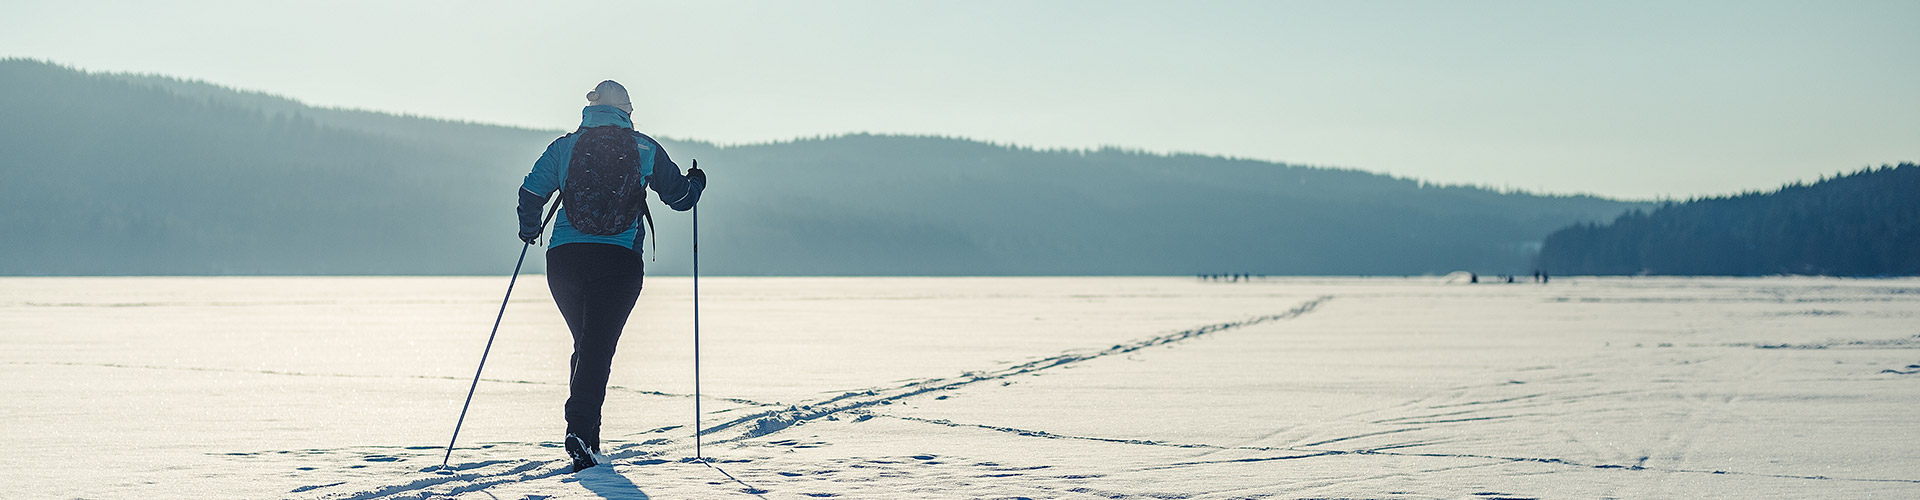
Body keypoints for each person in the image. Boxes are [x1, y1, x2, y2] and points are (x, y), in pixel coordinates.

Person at [515, 80, 706, 472]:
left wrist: (529, 228)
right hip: (618, 261)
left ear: (591, 108)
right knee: (597, 347)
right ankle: (581, 433)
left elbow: (531, 192)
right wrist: (697, 183)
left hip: (564, 259)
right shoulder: (645, 148)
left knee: (588, 344)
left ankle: (587, 437)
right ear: (627, 112)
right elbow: (681, 199)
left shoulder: (564, 147)